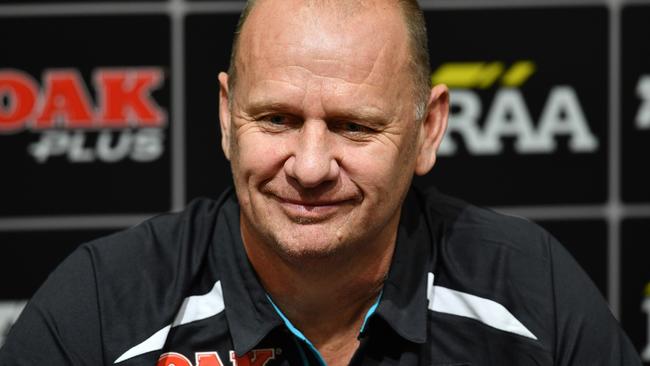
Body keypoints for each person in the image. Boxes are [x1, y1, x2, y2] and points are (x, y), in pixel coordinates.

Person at [0, 0, 642, 365]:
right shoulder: (104, 306)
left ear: (427, 130)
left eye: (354, 127)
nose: (309, 167)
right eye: (276, 119)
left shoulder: (530, 290)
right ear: (227, 118)